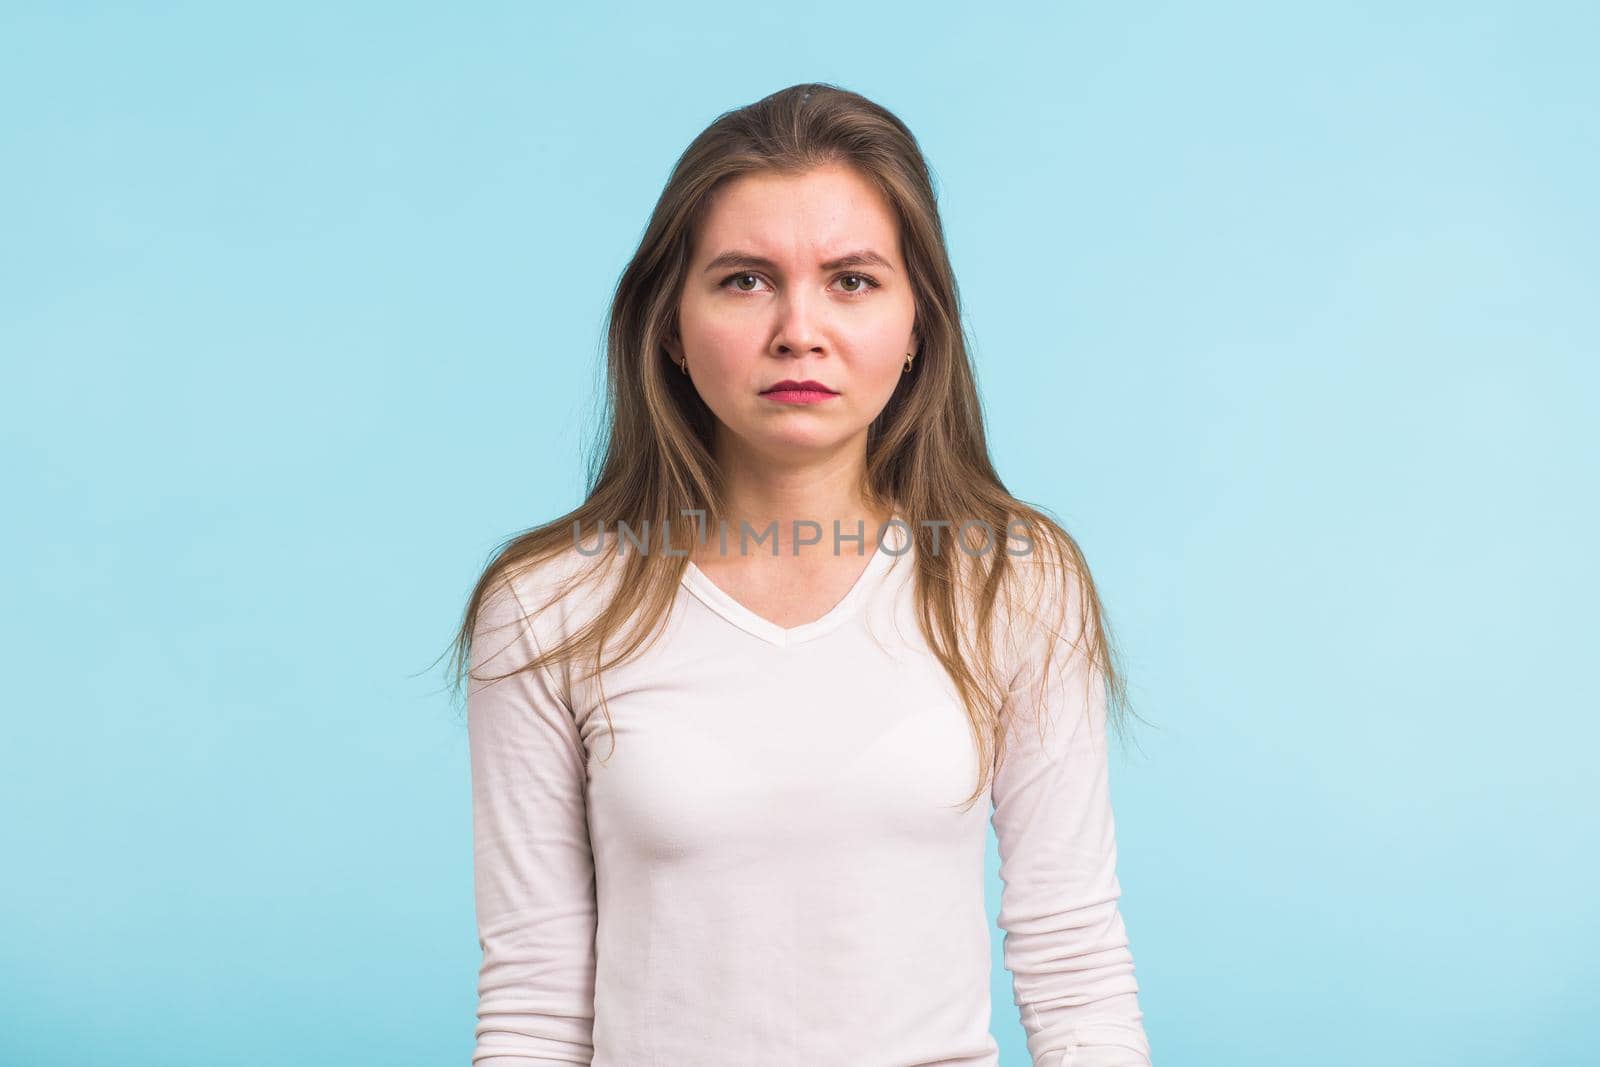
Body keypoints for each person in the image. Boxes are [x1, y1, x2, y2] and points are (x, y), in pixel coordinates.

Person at [449, 82, 1153, 1066]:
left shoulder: (1013, 582)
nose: (798, 330)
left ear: (917, 326)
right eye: (744, 279)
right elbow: (534, 1005)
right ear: (668, 322)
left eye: (852, 280)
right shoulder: (550, 602)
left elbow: (1075, 968)